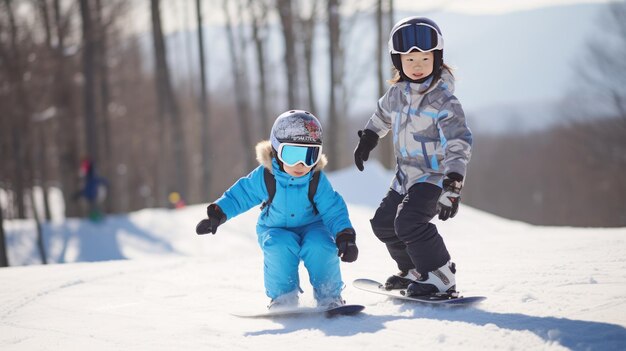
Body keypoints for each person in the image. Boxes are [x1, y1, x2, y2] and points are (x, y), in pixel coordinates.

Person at [353, 17, 472, 297]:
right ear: (398, 62)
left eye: (424, 59)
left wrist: (453, 184)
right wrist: (369, 138)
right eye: (409, 60)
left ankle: (440, 274)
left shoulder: (444, 101)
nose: (417, 67)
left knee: (408, 222)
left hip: (434, 177)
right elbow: (381, 115)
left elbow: (458, 141)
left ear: (437, 59)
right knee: (383, 223)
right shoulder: (397, 93)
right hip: (405, 176)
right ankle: (414, 271)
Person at [196, 110, 358, 309]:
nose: (301, 164)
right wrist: (219, 214)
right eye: (292, 155)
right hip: (275, 228)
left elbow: (333, 209)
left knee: (321, 245)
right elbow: (241, 195)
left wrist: (345, 236)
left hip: (312, 227)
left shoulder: (316, 179)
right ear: (277, 151)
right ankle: (284, 298)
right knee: (278, 246)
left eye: (309, 156)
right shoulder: (266, 176)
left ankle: (329, 296)